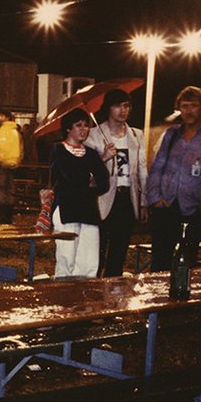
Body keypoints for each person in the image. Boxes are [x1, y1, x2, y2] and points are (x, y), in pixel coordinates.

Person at [145, 86, 201, 271]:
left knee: (185, 264)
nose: (189, 111)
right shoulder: (171, 134)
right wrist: (154, 198)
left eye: (194, 106)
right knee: (159, 264)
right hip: (166, 207)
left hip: (193, 210)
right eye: (184, 106)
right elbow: (156, 167)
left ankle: (179, 299)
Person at [84, 89, 148, 276]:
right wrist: (103, 157)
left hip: (127, 199)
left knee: (119, 250)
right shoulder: (94, 135)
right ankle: (94, 291)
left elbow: (142, 169)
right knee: (98, 249)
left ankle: (113, 294)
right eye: (117, 105)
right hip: (101, 199)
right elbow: (85, 172)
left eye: (126, 105)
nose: (123, 110)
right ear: (109, 108)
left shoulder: (136, 135)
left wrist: (144, 202)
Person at [49, 108, 110, 278]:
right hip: (67, 210)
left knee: (89, 261)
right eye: (78, 125)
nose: (84, 129)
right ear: (68, 128)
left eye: (86, 125)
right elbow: (68, 178)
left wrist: (91, 179)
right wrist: (90, 178)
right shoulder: (58, 150)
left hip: (89, 211)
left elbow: (104, 182)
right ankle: (62, 295)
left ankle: (85, 299)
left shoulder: (91, 153)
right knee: (66, 258)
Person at [0, 110, 22, 223]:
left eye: (1, 116)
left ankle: (0, 215)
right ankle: (8, 216)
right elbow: (19, 149)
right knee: (8, 189)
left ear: (7, 117)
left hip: (1, 164)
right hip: (12, 164)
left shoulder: (1, 131)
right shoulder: (15, 132)